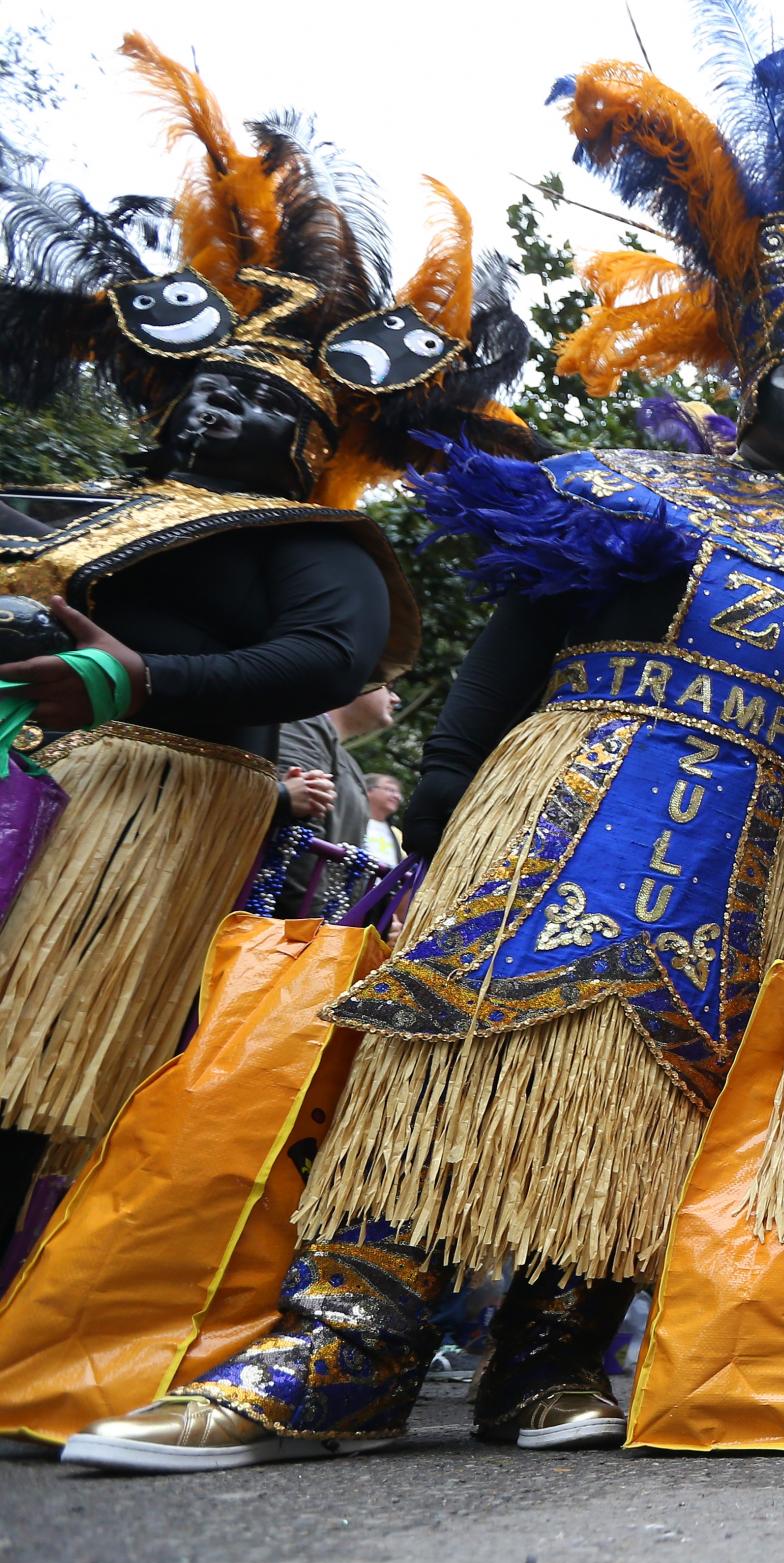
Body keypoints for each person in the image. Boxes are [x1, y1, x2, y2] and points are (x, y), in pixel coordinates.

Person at [61, 17, 784, 1471]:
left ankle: (556, 1348)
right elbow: (520, 635)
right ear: (753, 376)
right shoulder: (618, 484)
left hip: (757, 839)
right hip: (563, 788)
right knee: (463, 1031)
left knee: (667, 1080)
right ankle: (354, 1334)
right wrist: (454, 779)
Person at [0, 36, 518, 1191]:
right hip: (23, 785)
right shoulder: (76, 506)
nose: (215, 405)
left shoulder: (306, 540)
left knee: (54, 1089)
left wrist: (139, 681)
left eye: (250, 398)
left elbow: (324, 655)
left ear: (306, 444)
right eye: (209, 385)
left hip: (148, 817)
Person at [274, 685, 398, 916]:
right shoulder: (303, 725)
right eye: (388, 686)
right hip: (286, 927)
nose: (395, 698)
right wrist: (315, 923)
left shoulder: (351, 764)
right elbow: (297, 837)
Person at [362, 773, 406, 867]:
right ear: (368, 791)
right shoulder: (352, 823)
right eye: (390, 790)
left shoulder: (397, 834)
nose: (396, 796)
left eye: (398, 793)